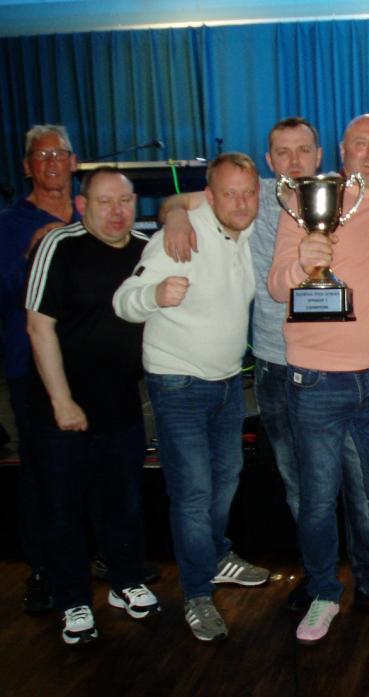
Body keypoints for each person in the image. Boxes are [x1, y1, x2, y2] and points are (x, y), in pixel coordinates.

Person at [158, 116, 369, 614]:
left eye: (303, 151)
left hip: (343, 364)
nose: (293, 162)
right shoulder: (263, 195)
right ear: (269, 161)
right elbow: (185, 199)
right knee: (305, 489)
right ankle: (321, 583)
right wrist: (174, 214)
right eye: (282, 154)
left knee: (365, 488)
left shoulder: (343, 197)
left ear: (321, 154)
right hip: (277, 362)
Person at [267, 114, 369, 657]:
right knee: (315, 502)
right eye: (363, 144)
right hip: (314, 381)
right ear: (343, 150)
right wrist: (300, 265)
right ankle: (323, 593)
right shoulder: (313, 199)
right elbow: (275, 284)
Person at [113, 153, 269, 642]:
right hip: (177, 382)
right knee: (194, 492)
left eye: (248, 193)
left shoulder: (248, 232)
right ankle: (197, 593)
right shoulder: (177, 237)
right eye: (230, 193)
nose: (241, 203)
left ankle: (217, 555)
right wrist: (154, 295)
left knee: (225, 478)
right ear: (209, 195)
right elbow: (124, 300)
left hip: (226, 383)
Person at [24, 166, 160, 645]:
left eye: (124, 201)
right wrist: (63, 402)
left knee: (122, 502)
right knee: (63, 509)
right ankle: (73, 601)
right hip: (61, 409)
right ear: (83, 206)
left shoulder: (149, 249)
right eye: (104, 202)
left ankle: (125, 582)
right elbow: (38, 327)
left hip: (122, 404)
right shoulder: (58, 246)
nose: (116, 211)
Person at [0, 124, 80, 614]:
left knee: (94, 470)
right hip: (31, 368)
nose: (52, 162)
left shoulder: (91, 214)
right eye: (41, 155)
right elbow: (6, 293)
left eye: (60, 153)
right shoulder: (9, 223)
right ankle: (44, 569)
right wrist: (33, 254)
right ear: (28, 166)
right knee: (44, 475)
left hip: (91, 367)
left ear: (74, 162)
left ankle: (87, 556)